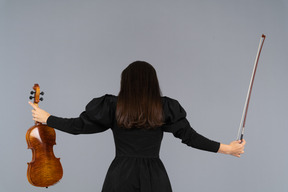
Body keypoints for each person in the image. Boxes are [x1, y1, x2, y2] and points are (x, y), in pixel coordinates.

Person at [29, 61, 246, 192]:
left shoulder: (113, 106)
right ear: (153, 83)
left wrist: (48, 118)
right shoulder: (164, 107)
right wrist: (228, 148)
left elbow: (79, 126)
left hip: (120, 175)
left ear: (126, 82)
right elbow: (190, 137)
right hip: (155, 176)